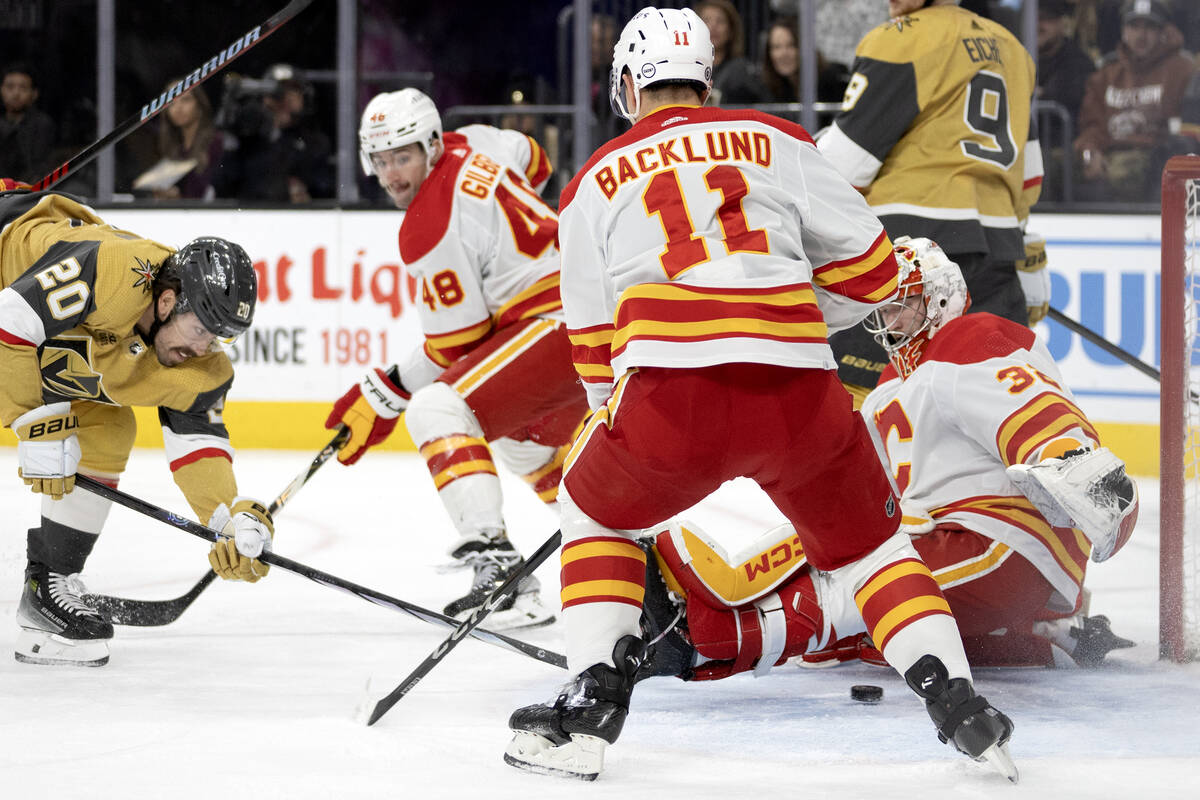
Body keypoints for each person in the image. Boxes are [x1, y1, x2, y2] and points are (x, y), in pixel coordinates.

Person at [503, 7, 1016, 783]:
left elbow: (593, 352)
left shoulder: (593, 181)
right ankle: (961, 706)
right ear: (706, 76)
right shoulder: (778, 140)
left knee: (595, 510)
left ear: (628, 84)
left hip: (673, 404)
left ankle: (592, 705)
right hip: (801, 398)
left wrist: (616, 431)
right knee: (871, 549)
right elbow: (874, 276)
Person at [635, 238, 1139, 685]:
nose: (889, 321)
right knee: (861, 619)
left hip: (1002, 543)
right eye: (884, 310)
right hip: (958, 555)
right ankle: (1042, 632)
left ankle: (711, 636)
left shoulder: (969, 337)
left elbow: (1033, 406)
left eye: (904, 305)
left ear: (940, 297)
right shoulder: (882, 392)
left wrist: (1072, 461)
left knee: (863, 592)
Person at [325, 89, 585, 631]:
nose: (393, 174)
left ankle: (497, 568)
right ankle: (631, 556)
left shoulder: (428, 226)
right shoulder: (481, 139)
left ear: (431, 145)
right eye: (381, 159)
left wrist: (383, 393)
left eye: (403, 157)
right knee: (519, 441)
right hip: (585, 311)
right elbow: (536, 158)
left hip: (556, 324)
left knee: (436, 410)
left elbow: (456, 346)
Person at [0, 184, 273, 666]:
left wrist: (227, 519)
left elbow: (197, 443)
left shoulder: (201, 366)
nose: (205, 349)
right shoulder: (115, 270)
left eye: (219, 339)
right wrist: (36, 424)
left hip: (39, 349)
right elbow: (12, 318)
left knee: (109, 426)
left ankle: (48, 587)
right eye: (201, 332)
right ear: (168, 302)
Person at [817, 0, 1044, 403]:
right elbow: (1030, 178)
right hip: (997, 253)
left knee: (859, 399)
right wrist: (1021, 246)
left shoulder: (900, 40)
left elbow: (845, 164)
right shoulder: (1013, 49)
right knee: (999, 395)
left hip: (908, 254)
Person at [1073, 0, 1194, 204]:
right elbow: (1092, 124)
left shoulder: (1183, 70)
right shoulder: (1106, 72)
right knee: (1056, 165)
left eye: (1149, 27)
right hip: (1106, 152)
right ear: (1123, 30)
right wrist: (1090, 152)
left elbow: (1182, 133)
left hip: (1153, 156)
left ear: (1163, 31)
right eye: (1134, 26)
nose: (1141, 35)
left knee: (1122, 172)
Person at [212, 64, 334, 204]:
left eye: (292, 90)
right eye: (277, 91)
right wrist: (233, 140)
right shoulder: (249, 139)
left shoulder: (315, 143)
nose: (283, 97)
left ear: (303, 97)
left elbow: (326, 189)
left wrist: (306, 196)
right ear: (264, 97)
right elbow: (221, 185)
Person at [1037, 0, 1098, 201]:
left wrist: (1043, 95)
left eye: (1047, 19)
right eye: (1035, 19)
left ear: (1063, 24)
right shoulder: (1020, 56)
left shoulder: (1078, 62)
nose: (1039, 25)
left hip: (1063, 147)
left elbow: (1066, 98)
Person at [134, 80, 223, 201]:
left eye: (186, 100)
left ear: (199, 103)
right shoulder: (173, 145)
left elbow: (214, 191)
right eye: (171, 103)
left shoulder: (215, 142)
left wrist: (178, 197)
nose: (178, 108)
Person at [759, 16, 850, 128]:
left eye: (791, 45)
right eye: (776, 47)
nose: (783, 54)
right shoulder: (771, 88)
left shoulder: (831, 80)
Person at [695, 0, 763, 106]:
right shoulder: (689, 68)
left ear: (731, 30)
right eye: (706, 20)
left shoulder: (740, 70)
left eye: (720, 21)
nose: (713, 26)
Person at [0, 63, 56, 185]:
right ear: (1, 90)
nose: (16, 93)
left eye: (23, 88)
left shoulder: (42, 124)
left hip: (30, 192)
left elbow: (40, 166)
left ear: (34, 94)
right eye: (10, 87)